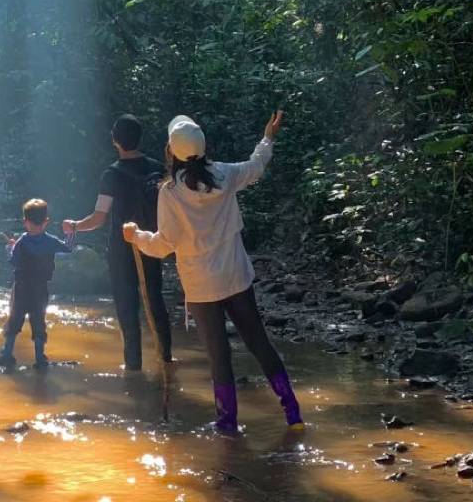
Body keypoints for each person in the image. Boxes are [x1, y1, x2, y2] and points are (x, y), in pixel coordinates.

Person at [122, 111, 304, 434]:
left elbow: (164, 245)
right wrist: (268, 137)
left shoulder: (170, 193)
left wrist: (135, 236)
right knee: (260, 344)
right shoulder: (223, 175)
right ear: (204, 147)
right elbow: (256, 166)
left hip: (201, 287)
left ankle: (227, 425)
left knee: (219, 358)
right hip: (235, 277)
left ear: (170, 151)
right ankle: (293, 413)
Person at [62, 114, 172, 372]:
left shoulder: (111, 174)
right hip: (153, 243)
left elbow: (99, 218)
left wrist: (75, 225)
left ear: (115, 140)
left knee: (127, 305)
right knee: (155, 300)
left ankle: (133, 366)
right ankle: (166, 360)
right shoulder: (157, 168)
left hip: (122, 250)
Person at [0, 198, 74, 369]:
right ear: (46, 222)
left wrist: (9, 247)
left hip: (22, 289)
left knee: (14, 320)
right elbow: (68, 248)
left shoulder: (22, 242)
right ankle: (40, 358)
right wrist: (71, 232)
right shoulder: (51, 241)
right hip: (40, 289)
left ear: (25, 222)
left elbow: (13, 261)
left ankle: (6, 354)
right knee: (39, 322)